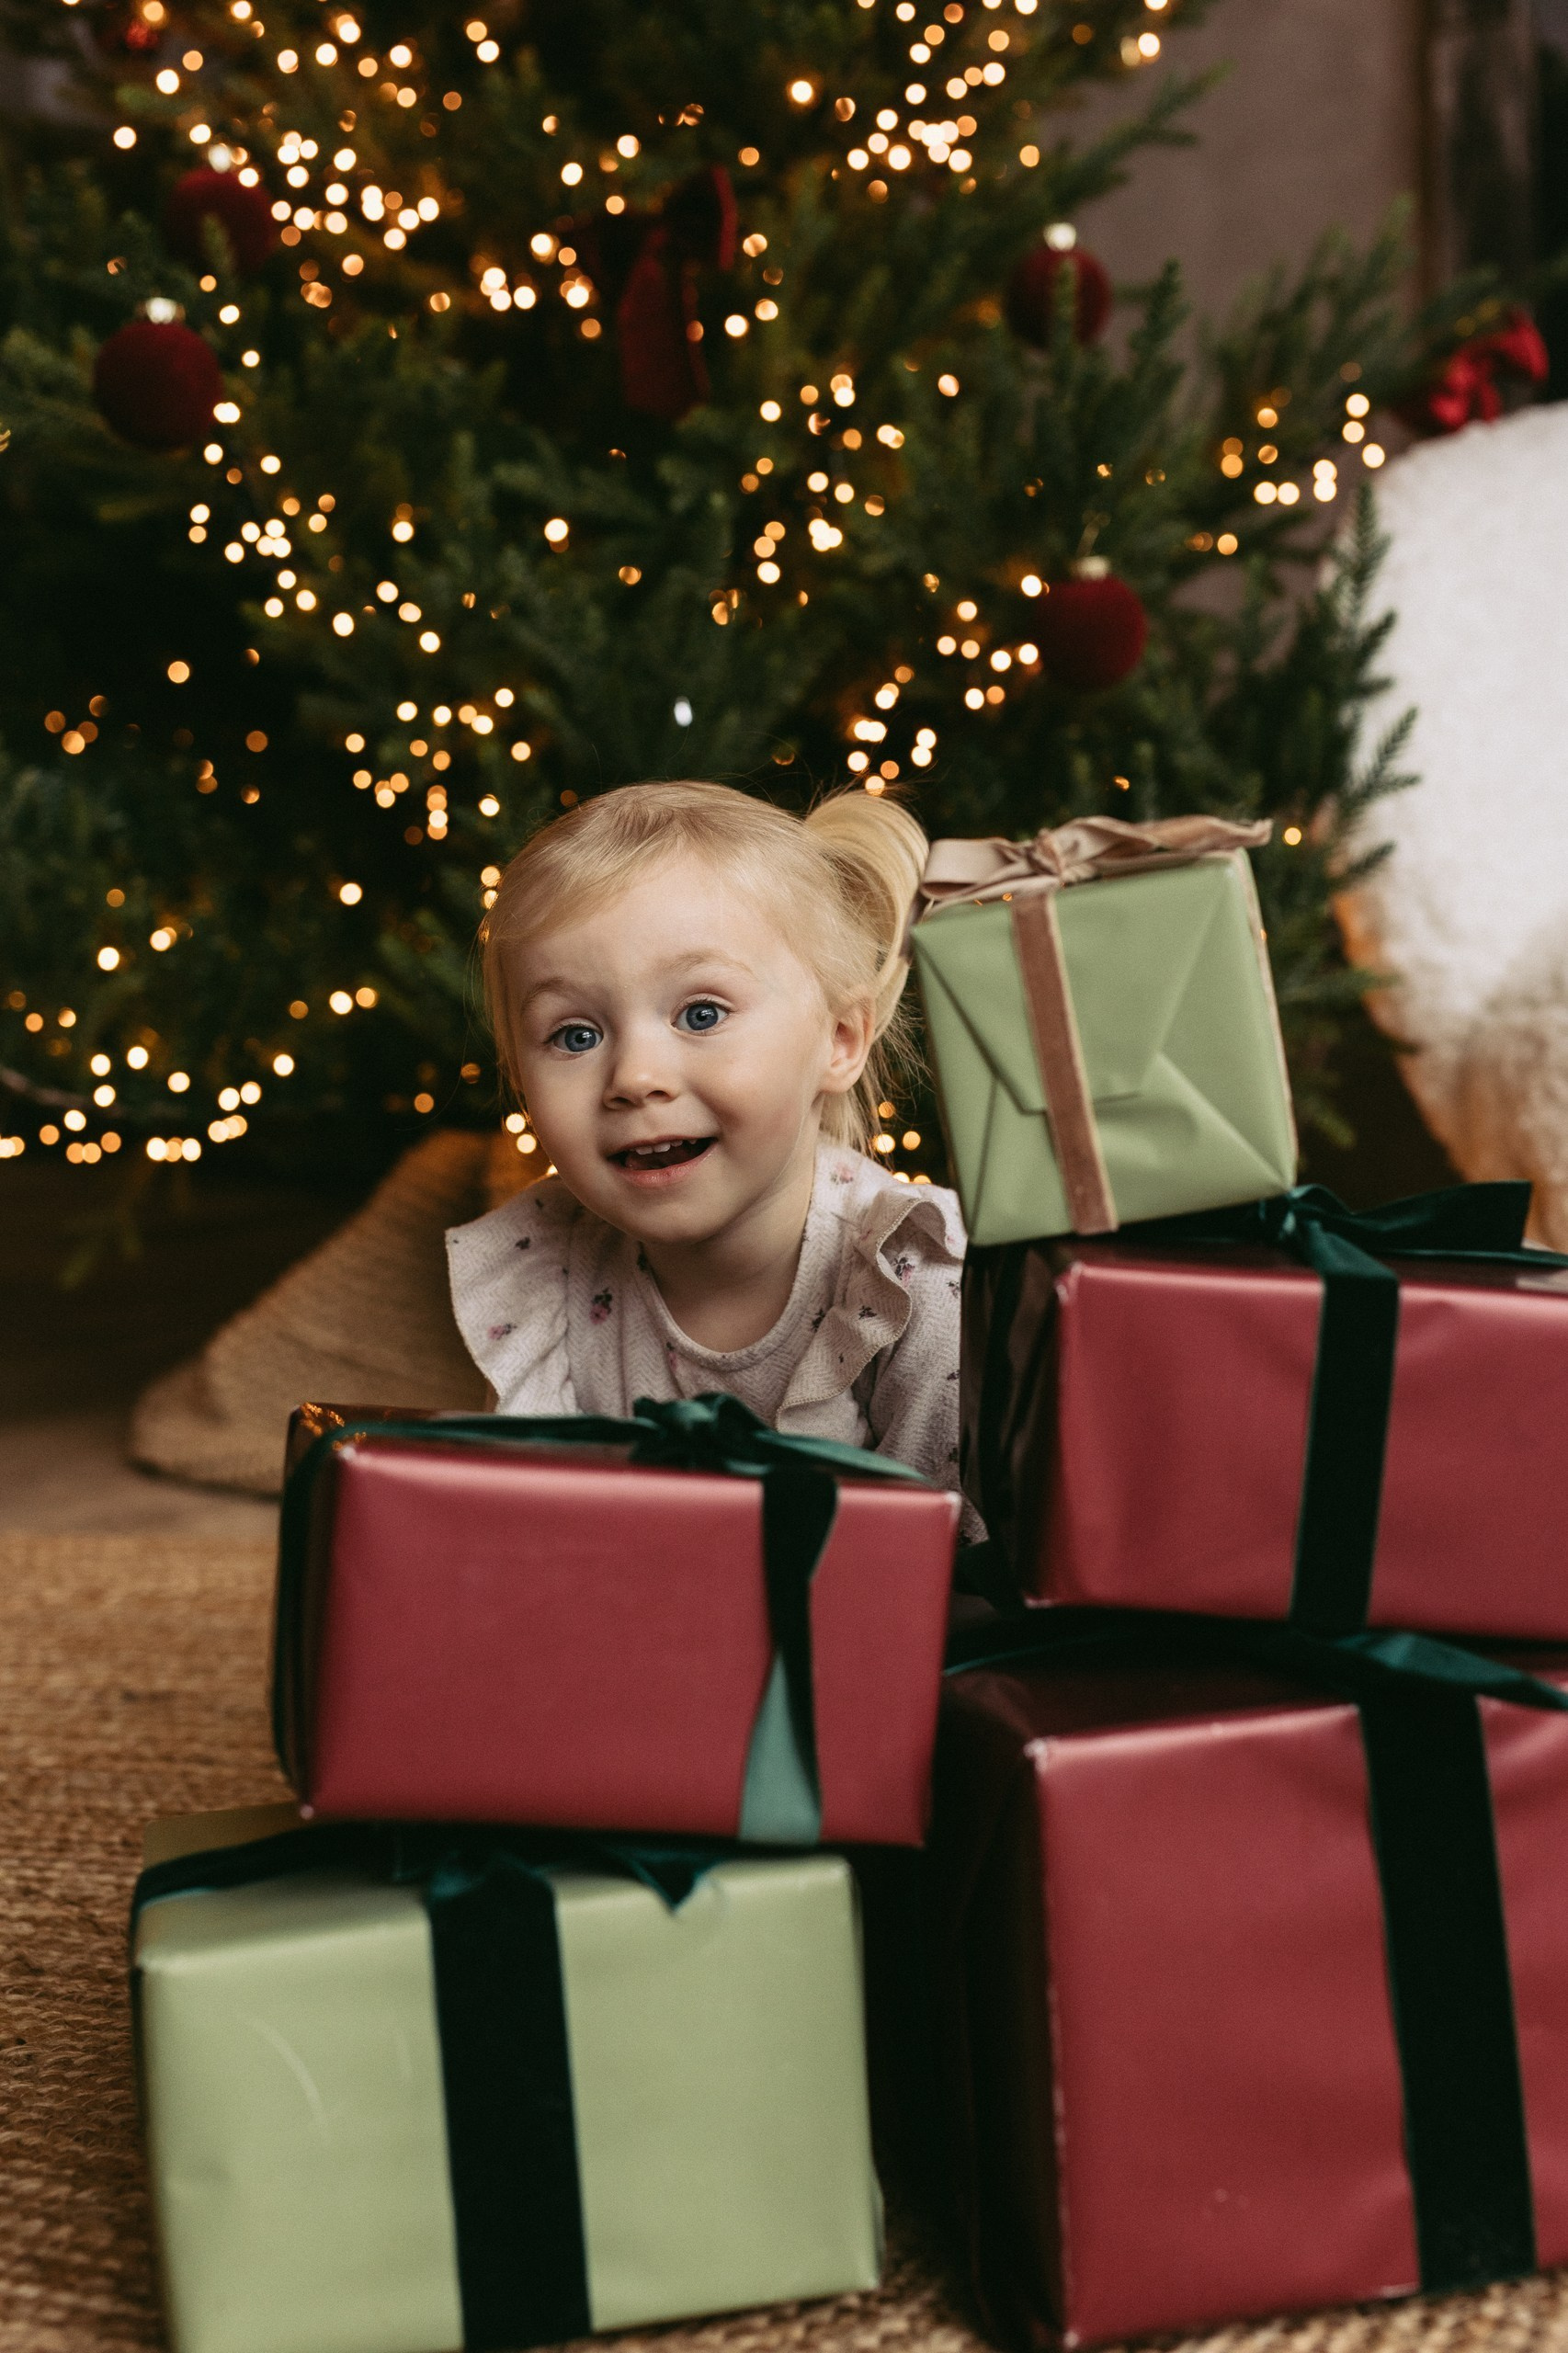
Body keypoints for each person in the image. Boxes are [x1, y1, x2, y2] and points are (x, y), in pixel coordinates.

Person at [446, 777, 978, 1528]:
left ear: (839, 1040)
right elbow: (535, 1540)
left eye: (701, 1014)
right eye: (575, 1036)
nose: (634, 1078)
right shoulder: (546, 1270)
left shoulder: (911, 1283)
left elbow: (960, 1577)